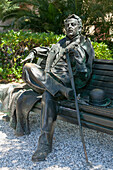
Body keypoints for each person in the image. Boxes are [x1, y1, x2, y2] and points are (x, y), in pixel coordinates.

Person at [21, 14, 95, 162]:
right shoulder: (61, 43)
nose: (70, 27)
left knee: (48, 95)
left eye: (73, 25)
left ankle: (44, 145)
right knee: (28, 67)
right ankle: (59, 89)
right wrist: (33, 52)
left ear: (80, 27)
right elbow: (49, 50)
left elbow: (85, 73)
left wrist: (79, 60)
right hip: (54, 82)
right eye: (67, 25)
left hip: (69, 83)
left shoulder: (85, 44)